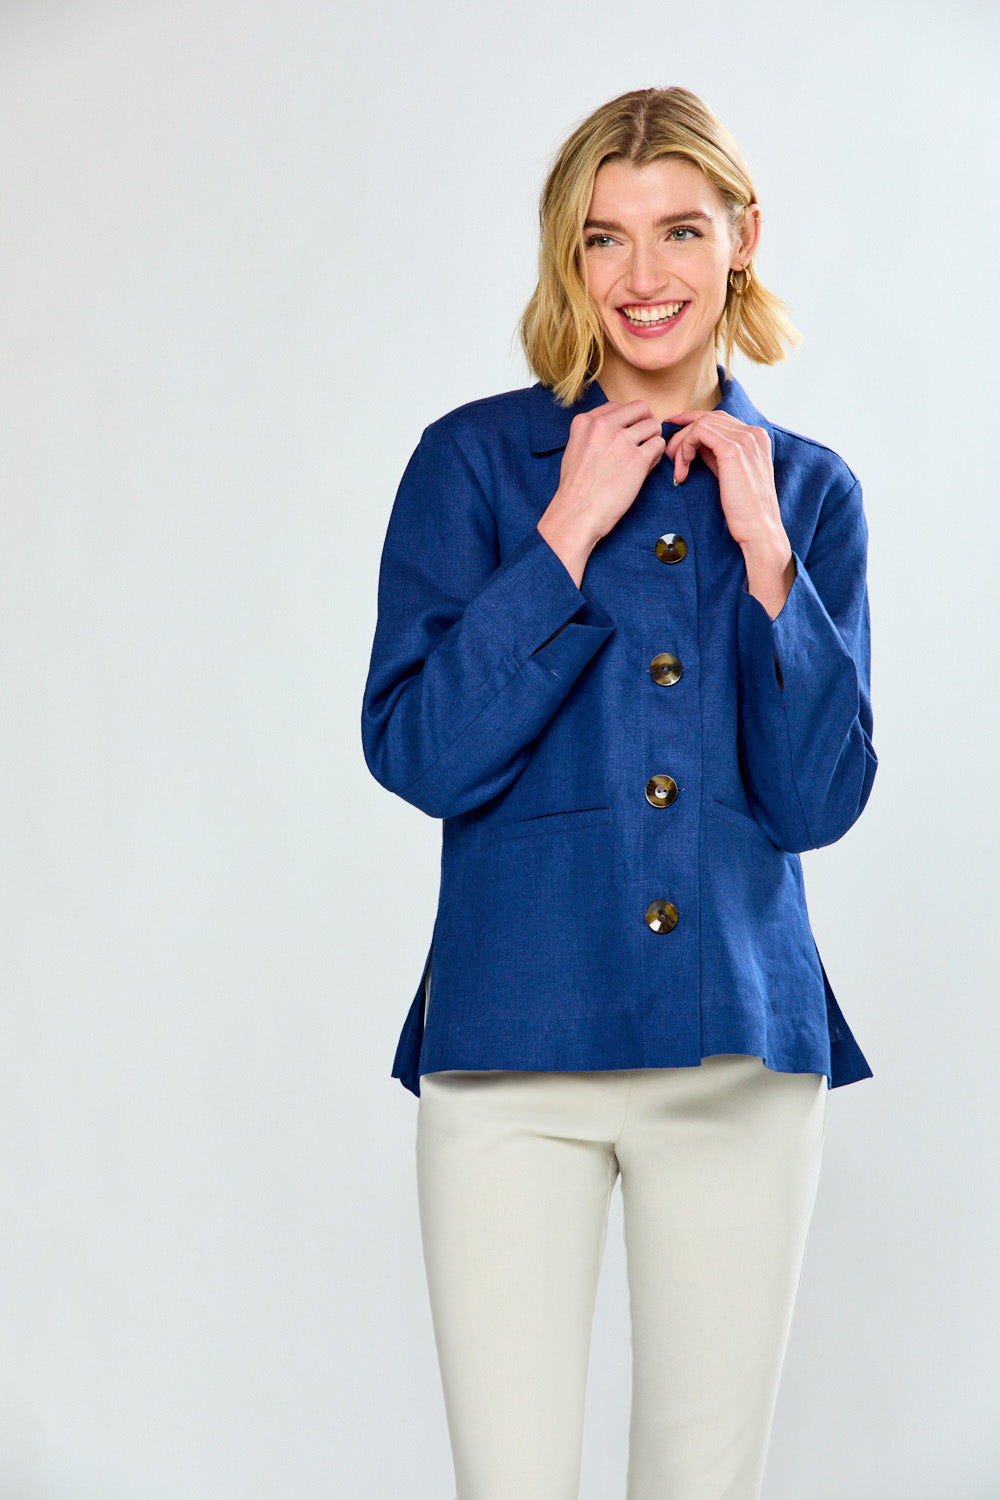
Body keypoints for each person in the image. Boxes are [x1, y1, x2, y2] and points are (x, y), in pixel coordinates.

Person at [361, 85, 876, 1500]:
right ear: (567, 257)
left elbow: (822, 799)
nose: (641, 277)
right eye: (603, 238)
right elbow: (418, 752)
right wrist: (564, 537)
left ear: (742, 238)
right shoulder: (474, 464)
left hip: (739, 1058)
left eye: (678, 230)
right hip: (511, 1054)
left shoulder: (811, 494)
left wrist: (768, 560)